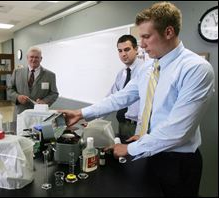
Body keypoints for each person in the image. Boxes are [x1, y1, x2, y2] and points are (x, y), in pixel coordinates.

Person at [60, 2, 215, 197]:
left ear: (168, 32)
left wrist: (130, 148)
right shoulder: (149, 67)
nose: (141, 44)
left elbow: (178, 131)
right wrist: (81, 113)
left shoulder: (195, 69)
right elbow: (120, 97)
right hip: (150, 151)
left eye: (146, 37)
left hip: (177, 161)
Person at [106, 35, 144, 141]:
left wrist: (139, 133)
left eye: (127, 49)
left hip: (137, 127)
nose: (123, 54)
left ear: (136, 49)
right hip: (122, 125)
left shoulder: (145, 71)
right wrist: (93, 120)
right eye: (120, 51)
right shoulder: (121, 74)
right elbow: (110, 98)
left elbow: (146, 107)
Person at [8, 46, 59, 122]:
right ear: (27, 58)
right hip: (21, 113)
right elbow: (10, 89)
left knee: (39, 133)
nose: (33, 59)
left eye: (36, 57)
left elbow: (54, 93)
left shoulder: (50, 75)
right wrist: (17, 97)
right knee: (19, 133)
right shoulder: (17, 72)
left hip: (40, 115)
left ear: (41, 59)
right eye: (31, 57)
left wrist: (44, 101)